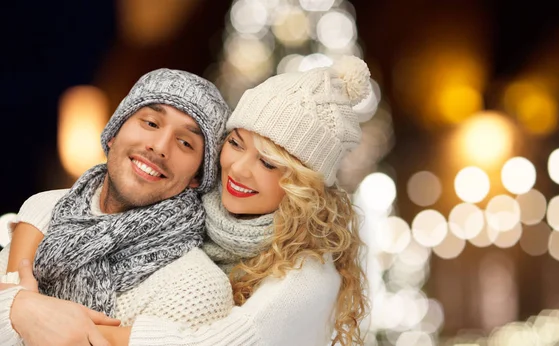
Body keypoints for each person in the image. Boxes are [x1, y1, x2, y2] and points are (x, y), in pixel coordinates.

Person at [1, 55, 371, 346]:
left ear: (303, 186)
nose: (238, 170)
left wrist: (55, 321)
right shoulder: (58, 210)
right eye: (236, 144)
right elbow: (49, 208)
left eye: (268, 162)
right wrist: (21, 301)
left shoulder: (305, 279)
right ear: (112, 133)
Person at [0, 68, 234, 343]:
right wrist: (18, 307)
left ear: (197, 176)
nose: (159, 147)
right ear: (113, 134)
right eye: (150, 123)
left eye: (185, 142)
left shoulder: (197, 288)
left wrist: (17, 307)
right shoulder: (45, 210)